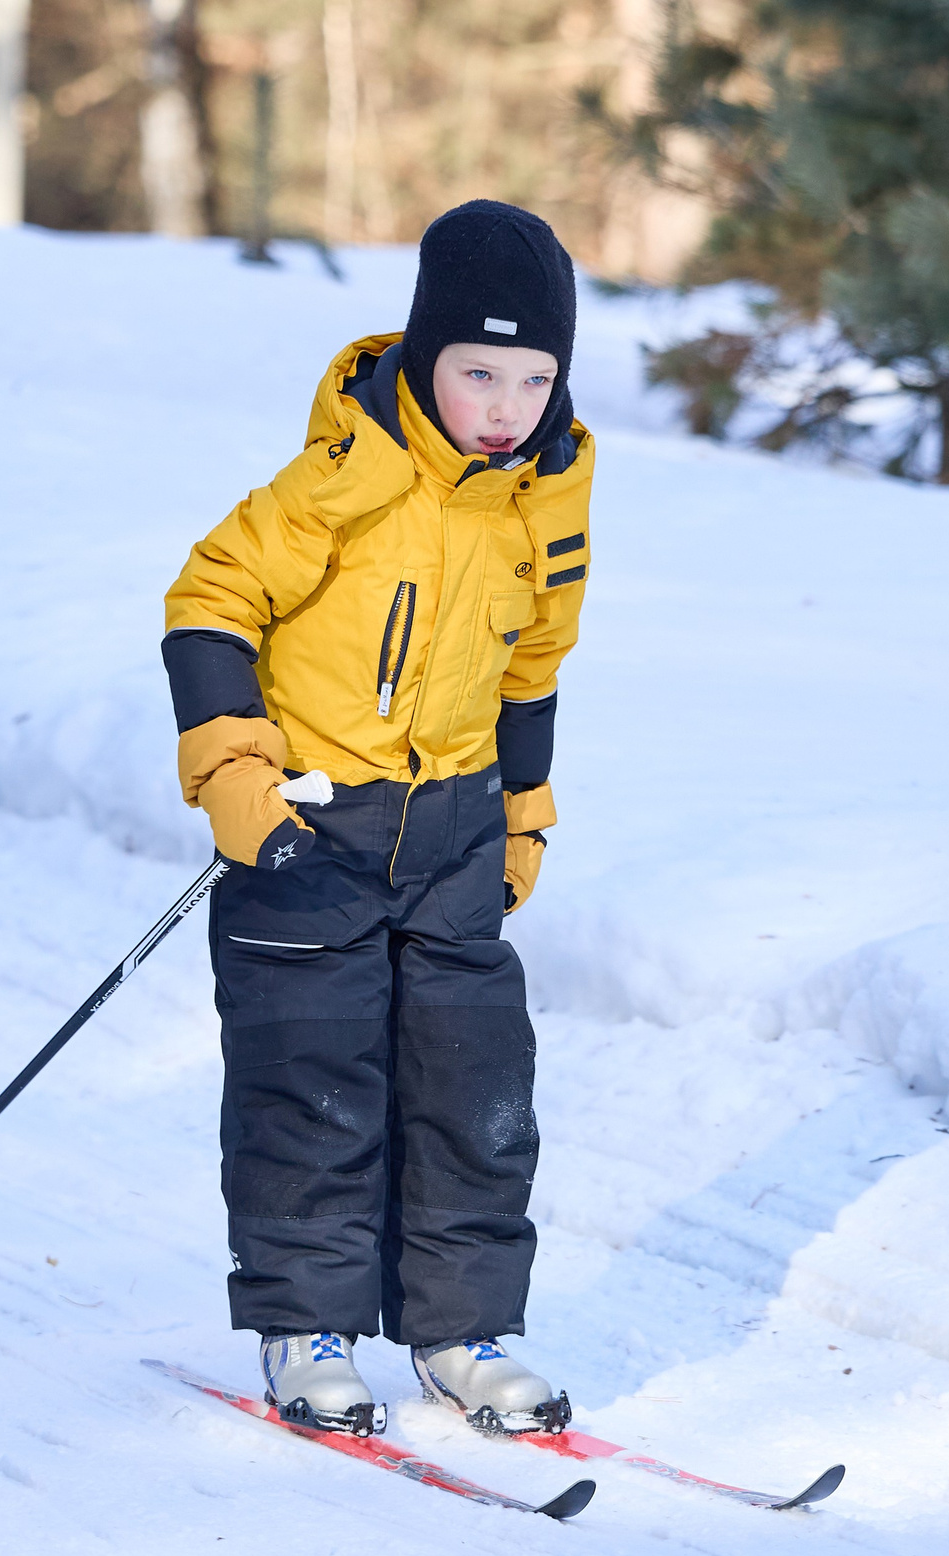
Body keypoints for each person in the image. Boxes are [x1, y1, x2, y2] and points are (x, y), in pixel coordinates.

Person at [159, 201, 593, 1437]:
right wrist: (236, 776)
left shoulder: (546, 496)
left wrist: (524, 821)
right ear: (422, 355)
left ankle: (463, 1331)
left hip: (456, 831)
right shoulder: (346, 474)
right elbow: (207, 603)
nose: (505, 404)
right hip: (312, 830)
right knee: (313, 1087)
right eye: (477, 371)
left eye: (533, 374)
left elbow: (533, 670)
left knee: (475, 1092)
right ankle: (309, 1327)